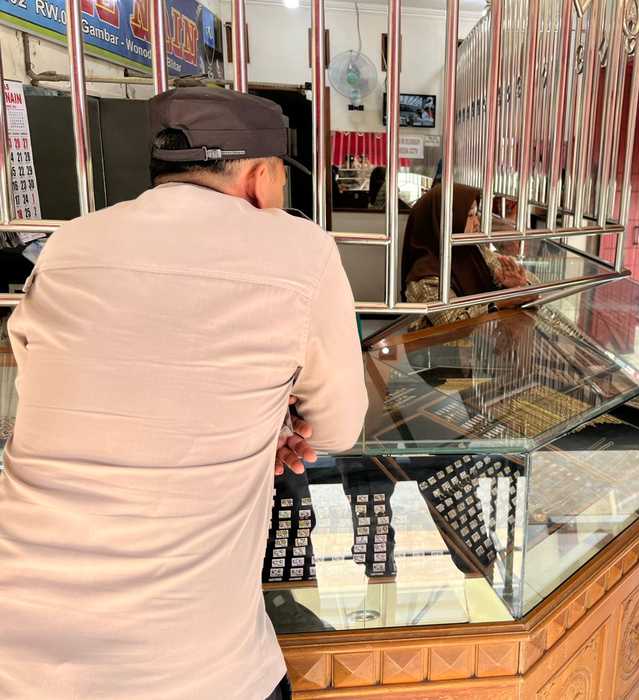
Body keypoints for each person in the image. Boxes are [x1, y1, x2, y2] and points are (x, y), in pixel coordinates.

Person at [0, 87, 368, 699]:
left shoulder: (69, 244)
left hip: (19, 647)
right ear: (259, 179)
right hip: (190, 664)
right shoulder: (300, 249)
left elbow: (44, 383)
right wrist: (267, 424)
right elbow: (337, 428)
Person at [402, 184, 533, 329]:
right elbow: (452, 324)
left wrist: (521, 284)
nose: (477, 223)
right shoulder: (425, 275)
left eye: (476, 214)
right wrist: (500, 302)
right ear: (445, 220)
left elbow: (530, 281)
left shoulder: (474, 250)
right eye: (470, 215)